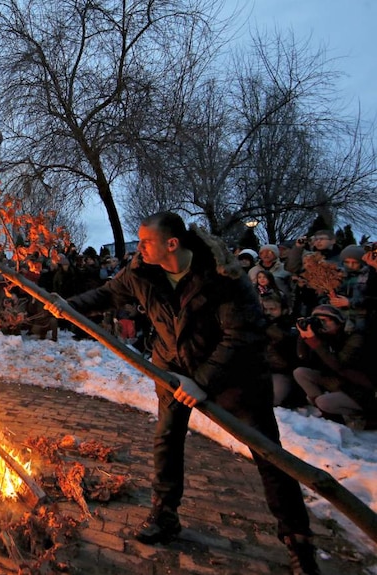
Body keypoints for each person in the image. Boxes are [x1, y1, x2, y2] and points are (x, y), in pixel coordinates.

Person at [45, 211, 320, 574]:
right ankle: (165, 514)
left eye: (145, 241)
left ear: (171, 243)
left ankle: (298, 540)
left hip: (234, 377)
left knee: (268, 455)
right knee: (168, 440)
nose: (138, 248)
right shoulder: (142, 272)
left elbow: (242, 336)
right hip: (173, 369)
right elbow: (109, 293)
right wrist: (67, 308)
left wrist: (202, 380)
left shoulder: (223, 277)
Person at [292, 304, 373, 423]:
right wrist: (303, 336)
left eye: (324, 321)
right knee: (300, 373)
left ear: (338, 322)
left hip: (360, 388)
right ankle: (328, 412)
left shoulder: (355, 337)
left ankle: (359, 415)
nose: (321, 324)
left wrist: (314, 341)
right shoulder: (323, 335)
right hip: (338, 382)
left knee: (323, 401)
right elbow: (303, 358)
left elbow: (338, 365)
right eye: (317, 321)